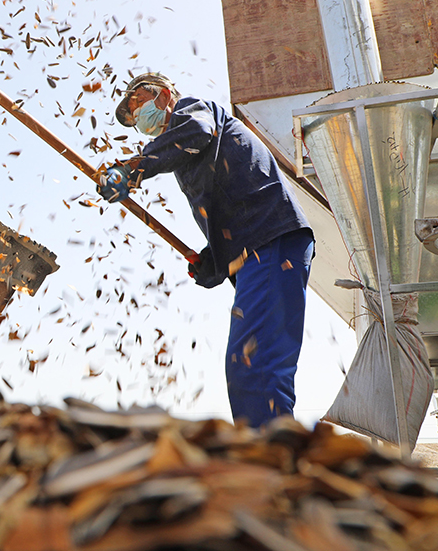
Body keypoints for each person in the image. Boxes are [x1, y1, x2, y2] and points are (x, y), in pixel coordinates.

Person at [98, 73, 315, 428]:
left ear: (165, 95)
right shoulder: (188, 157)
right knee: (251, 363)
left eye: (137, 103)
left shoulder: (192, 112)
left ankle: (270, 464)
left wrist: (133, 167)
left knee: (253, 364)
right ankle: (270, 456)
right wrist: (214, 260)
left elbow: (195, 133)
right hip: (257, 251)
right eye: (132, 118)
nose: (136, 117)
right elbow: (228, 204)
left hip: (271, 241)